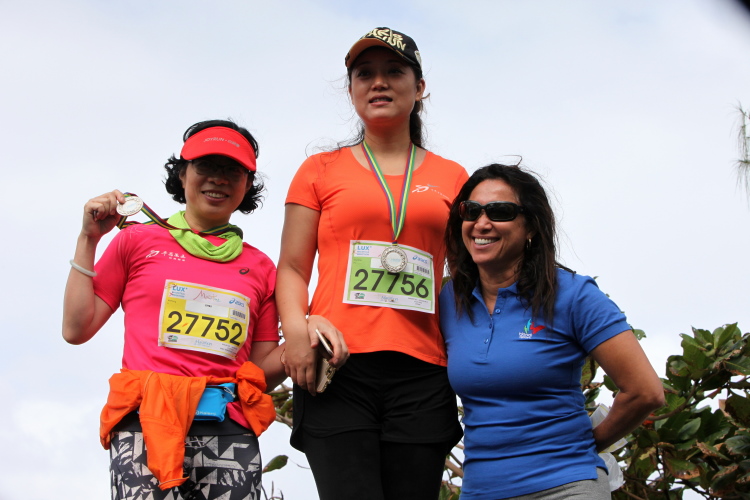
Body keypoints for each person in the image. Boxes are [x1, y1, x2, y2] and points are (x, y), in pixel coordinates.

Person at [276, 27, 467, 500]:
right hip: (338, 366)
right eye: (365, 74)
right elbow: (293, 268)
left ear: (419, 88)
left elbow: (467, 277)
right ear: (351, 90)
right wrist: (296, 333)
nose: (378, 82)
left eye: (394, 71)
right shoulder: (319, 170)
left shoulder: (453, 177)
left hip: (424, 372)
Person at [62, 119, 286, 500]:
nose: (218, 179)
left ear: (248, 184)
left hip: (228, 429)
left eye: (232, 170)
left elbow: (260, 371)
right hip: (145, 424)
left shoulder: (261, 268)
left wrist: (312, 335)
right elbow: (75, 328)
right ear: (182, 174)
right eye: (206, 166)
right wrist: (88, 239)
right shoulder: (136, 241)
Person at [440, 163, 665, 499]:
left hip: (566, 486)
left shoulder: (573, 295)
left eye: (500, 212)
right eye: (471, 211)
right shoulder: (449, 301)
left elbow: (645, 391)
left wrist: (588, 444)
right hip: (481, 491)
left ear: (531, 225)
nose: (482, 223)